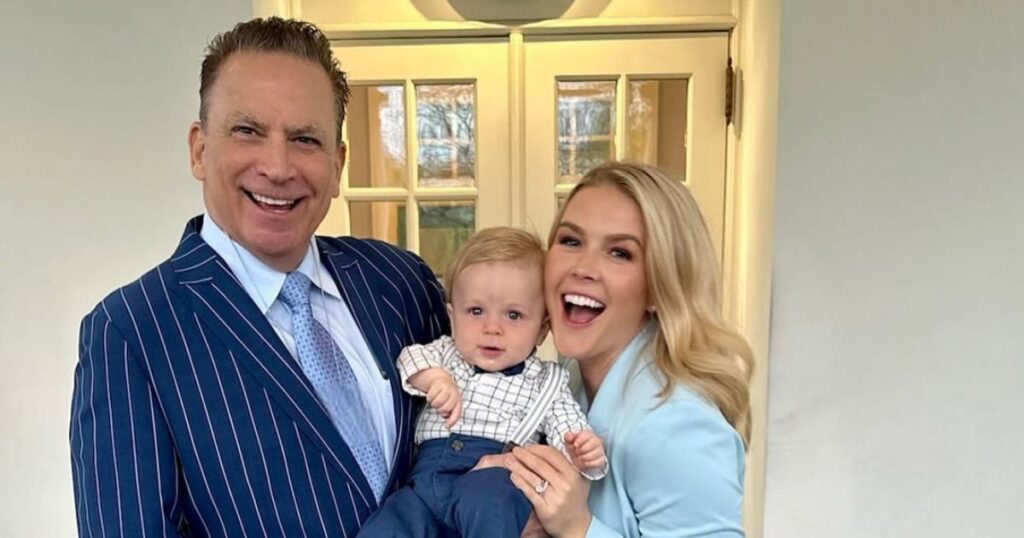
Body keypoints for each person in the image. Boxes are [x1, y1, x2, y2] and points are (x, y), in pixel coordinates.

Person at [69, 17, 449, 537]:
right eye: (248, 131)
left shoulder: (401, 283)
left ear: (336, 165)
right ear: (200, 150)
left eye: (305, 139)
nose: (277, 166)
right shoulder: (132, 332)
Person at [504, 161, 754, 538]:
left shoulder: (677, 425)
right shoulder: (569, 380)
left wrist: (577, 529)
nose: (583, 267)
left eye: (620, 252)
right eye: (571, 241)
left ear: (659, 285)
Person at [359, 227, 607, 538]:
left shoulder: (547, 382)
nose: (492, 328)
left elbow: (568, 429)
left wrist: (583, 450)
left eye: (513, 315)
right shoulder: (446, 354)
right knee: (390, 523)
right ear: (452, 316)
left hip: (493, 479)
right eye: (476, 311)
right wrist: (433, 378)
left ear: (542, 329)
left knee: (490, 502)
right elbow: (409, 359)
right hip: (424, 484)